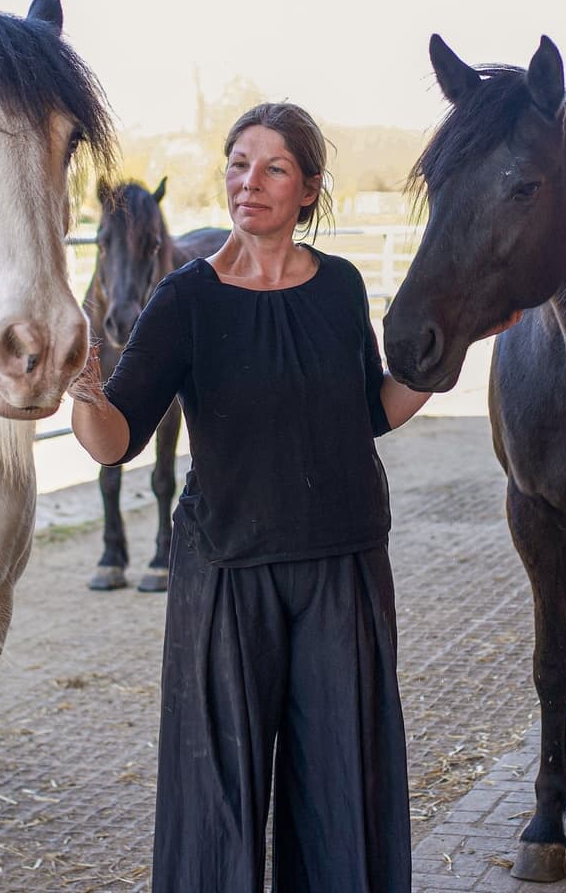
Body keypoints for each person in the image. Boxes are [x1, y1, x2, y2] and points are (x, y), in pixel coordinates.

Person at [67, 102, 430, 892]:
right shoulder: (186, 298)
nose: (249, 182)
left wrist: (443, 361)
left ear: (308, 189)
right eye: (238, 164)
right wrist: (86, 390)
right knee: (219, 803)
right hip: (227, 572)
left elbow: (370, 410)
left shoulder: (339, 287)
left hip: (344, 565)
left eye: (272, 168)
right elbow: (114, 441)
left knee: (344, 791)